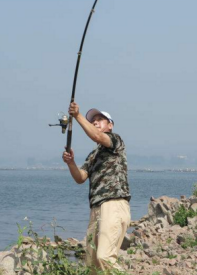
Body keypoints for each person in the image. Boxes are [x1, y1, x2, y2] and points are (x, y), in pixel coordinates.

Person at [62, 101, 131, 275]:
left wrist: (77, 115)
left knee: (105, 257)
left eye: (100, 119)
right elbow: (80, 177)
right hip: (96, 208)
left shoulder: (116, 140)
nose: (95, 122)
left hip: (113, 204)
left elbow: (98, 137)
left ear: (110, 125)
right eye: (93, 120)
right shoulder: (93, 155)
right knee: (92, 266)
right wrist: (71, 163)